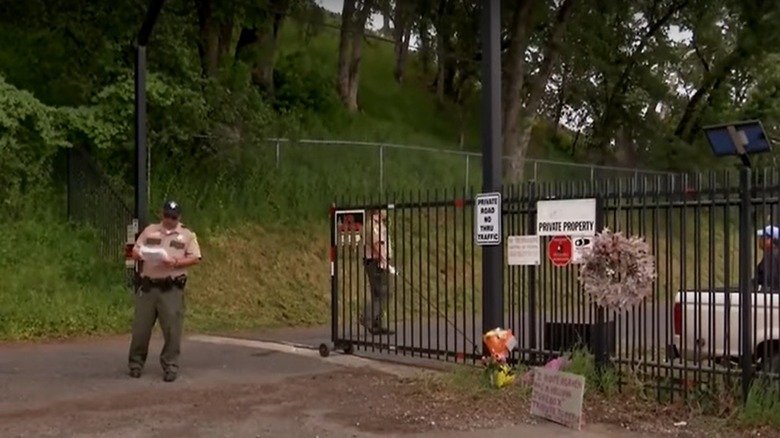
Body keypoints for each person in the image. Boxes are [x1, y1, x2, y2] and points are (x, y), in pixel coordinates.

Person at [128, 200, 202, 382]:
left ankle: (170, 366)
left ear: (179, 218)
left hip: (171, 288)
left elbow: (195, 258)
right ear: (162, 214)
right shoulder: (150, 230)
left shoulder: (187, 235)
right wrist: (137, 254)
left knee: (172, 330)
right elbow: (134, 250)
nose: (170, 220)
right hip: (148, 287)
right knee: (140, 329)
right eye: (167, 216)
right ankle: (135, 364)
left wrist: (176, 263)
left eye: (174, 217)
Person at [363, 209, 394, 335]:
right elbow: (376, 244)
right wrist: (383, 260)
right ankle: (367, 317)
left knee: (383, 292)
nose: (386, 212)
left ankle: (377, 322)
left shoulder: (380, 224)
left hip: (380, 260)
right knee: (381, 292)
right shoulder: (372, 225)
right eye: (384, 210)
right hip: (376, 261)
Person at [755, 225, 780, 292]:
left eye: (763, 237)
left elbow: (769, 280)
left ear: (771, 240)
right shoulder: (773, 254)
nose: (760, 240)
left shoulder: (771, 257)